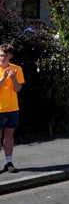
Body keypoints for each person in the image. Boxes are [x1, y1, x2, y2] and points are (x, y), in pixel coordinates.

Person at [0, 43, 25, 173]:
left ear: (10, 56)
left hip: (12, 108)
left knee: (9, 136)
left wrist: (14, 78)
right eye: (0, 55)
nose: (2, 58)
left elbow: (18, 88)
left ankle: (8, 162)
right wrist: (3, 78)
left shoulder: (16, 69)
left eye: (5, 56)